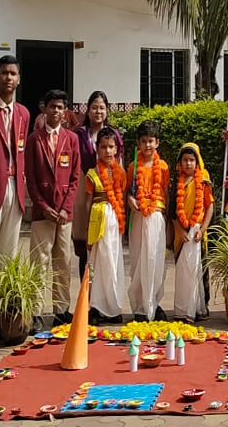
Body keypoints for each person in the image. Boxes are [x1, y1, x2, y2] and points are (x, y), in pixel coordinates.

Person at [25, 90, 80, 326]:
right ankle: (36, 312)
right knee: (39, 261)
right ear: (44, 109)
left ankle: (61, 310)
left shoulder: (71, 139)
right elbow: (30, 178)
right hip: (43, 213)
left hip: (64, 215)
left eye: (60, 107)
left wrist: (66, 208)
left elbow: (75, 178)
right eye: (52, 106)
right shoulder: (34, 139)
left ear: (65, 111)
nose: (56, 111)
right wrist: (42, 206)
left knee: (63, 261)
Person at [72, 91, 123, 283]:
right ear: (88, 110)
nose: (98, 111)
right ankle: (86, 293)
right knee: (85, 245)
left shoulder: (113, 135)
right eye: (94, 107)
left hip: (108, 196)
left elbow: (119, 165)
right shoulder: (78, 135)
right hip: (84, 191)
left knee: (108, 247)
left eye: (102, 107)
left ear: (107, 110)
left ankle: (105, 292)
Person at [0, 55, 30, 269]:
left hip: (15, 185)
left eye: (13, 74)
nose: (8, 78)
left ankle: (4, 291)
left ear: (19, 78)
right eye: (4, 73)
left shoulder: (23, 113)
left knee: (9, 252)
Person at [126, 120, 170, 322]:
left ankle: (154, 302)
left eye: (151, 141)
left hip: (157, 216)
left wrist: (166, 220)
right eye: (143, 141)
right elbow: (128, 191)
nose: (147, 145)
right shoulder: (133, 166)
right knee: (138, 261)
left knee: (155, 260)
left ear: (157, 142)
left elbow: (166, 194)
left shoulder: (163, 167)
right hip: (138, 216)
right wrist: (130, 199)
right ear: (138, 143)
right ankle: (139, 306)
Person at [85, 127, 128, 323]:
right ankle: (95, 307)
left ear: (116, 149)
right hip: (98, 222)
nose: (107, 151)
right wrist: (87, 229)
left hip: (115, 222)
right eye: (103, 147)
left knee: (113, 263)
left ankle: (113, 308)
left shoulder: (121, 173)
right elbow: (88, 203)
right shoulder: (92, 174)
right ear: (97, 149)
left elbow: (123, 199)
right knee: (98, 263)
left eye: (111, 147)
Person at [172, 143, 212, 322]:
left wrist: (202, 230)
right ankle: (182, 311)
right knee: (182, 273)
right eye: (185, 160)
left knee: (196, 272)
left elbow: (209, 206)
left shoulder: (203, 180)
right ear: (180, 162)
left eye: (191, 160)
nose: (188, 163)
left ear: (197, 162)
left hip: (197, 233)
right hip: (181, 235)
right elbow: (172, 212)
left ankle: (195, 310)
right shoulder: (177, 182)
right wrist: (179, 230)